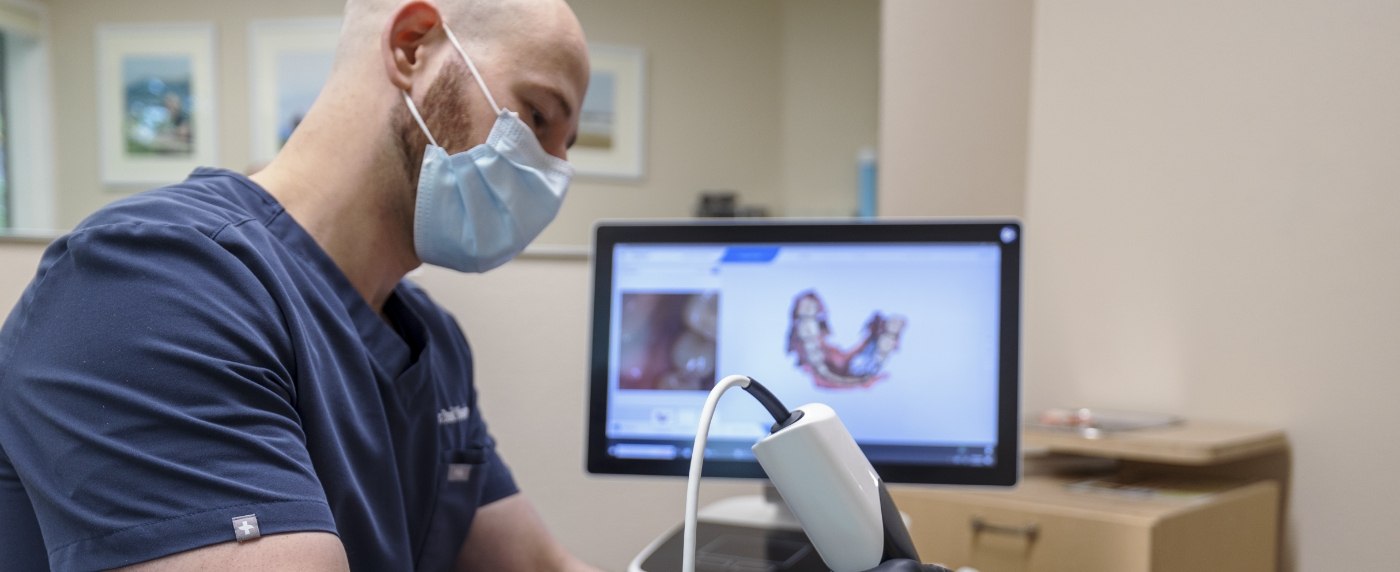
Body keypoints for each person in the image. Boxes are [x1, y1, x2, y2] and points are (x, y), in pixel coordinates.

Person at [0, 0, 598, 569]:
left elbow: (541, 564)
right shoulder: (154, 283)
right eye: (539, 117)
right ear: (412, 45)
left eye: (563, 150)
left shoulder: (433, 342)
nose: (551, 172)